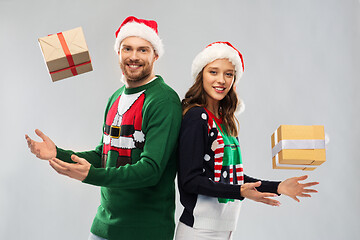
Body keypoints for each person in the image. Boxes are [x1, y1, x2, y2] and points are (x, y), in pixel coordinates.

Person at [25, 16, 182, 240]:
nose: (134, 56)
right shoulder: (115, 98)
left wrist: (91, 175)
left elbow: (151, 170)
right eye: (127, 48)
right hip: (103, 226)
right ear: (118, 53)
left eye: (143, 50)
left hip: (144, 231)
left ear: (155, 55)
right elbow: (104, 155)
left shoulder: (163, 100)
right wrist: (57, 153)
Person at [175, 41, 319, 240]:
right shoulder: (196, 117)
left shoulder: (225, 122)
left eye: (229, 74)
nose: (221, 80)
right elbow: (190, 181)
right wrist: (239, 191)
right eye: (213, 72)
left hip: (225, 229)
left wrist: (277, 187)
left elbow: (230, 177)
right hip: (199, 230)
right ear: (201, 75)